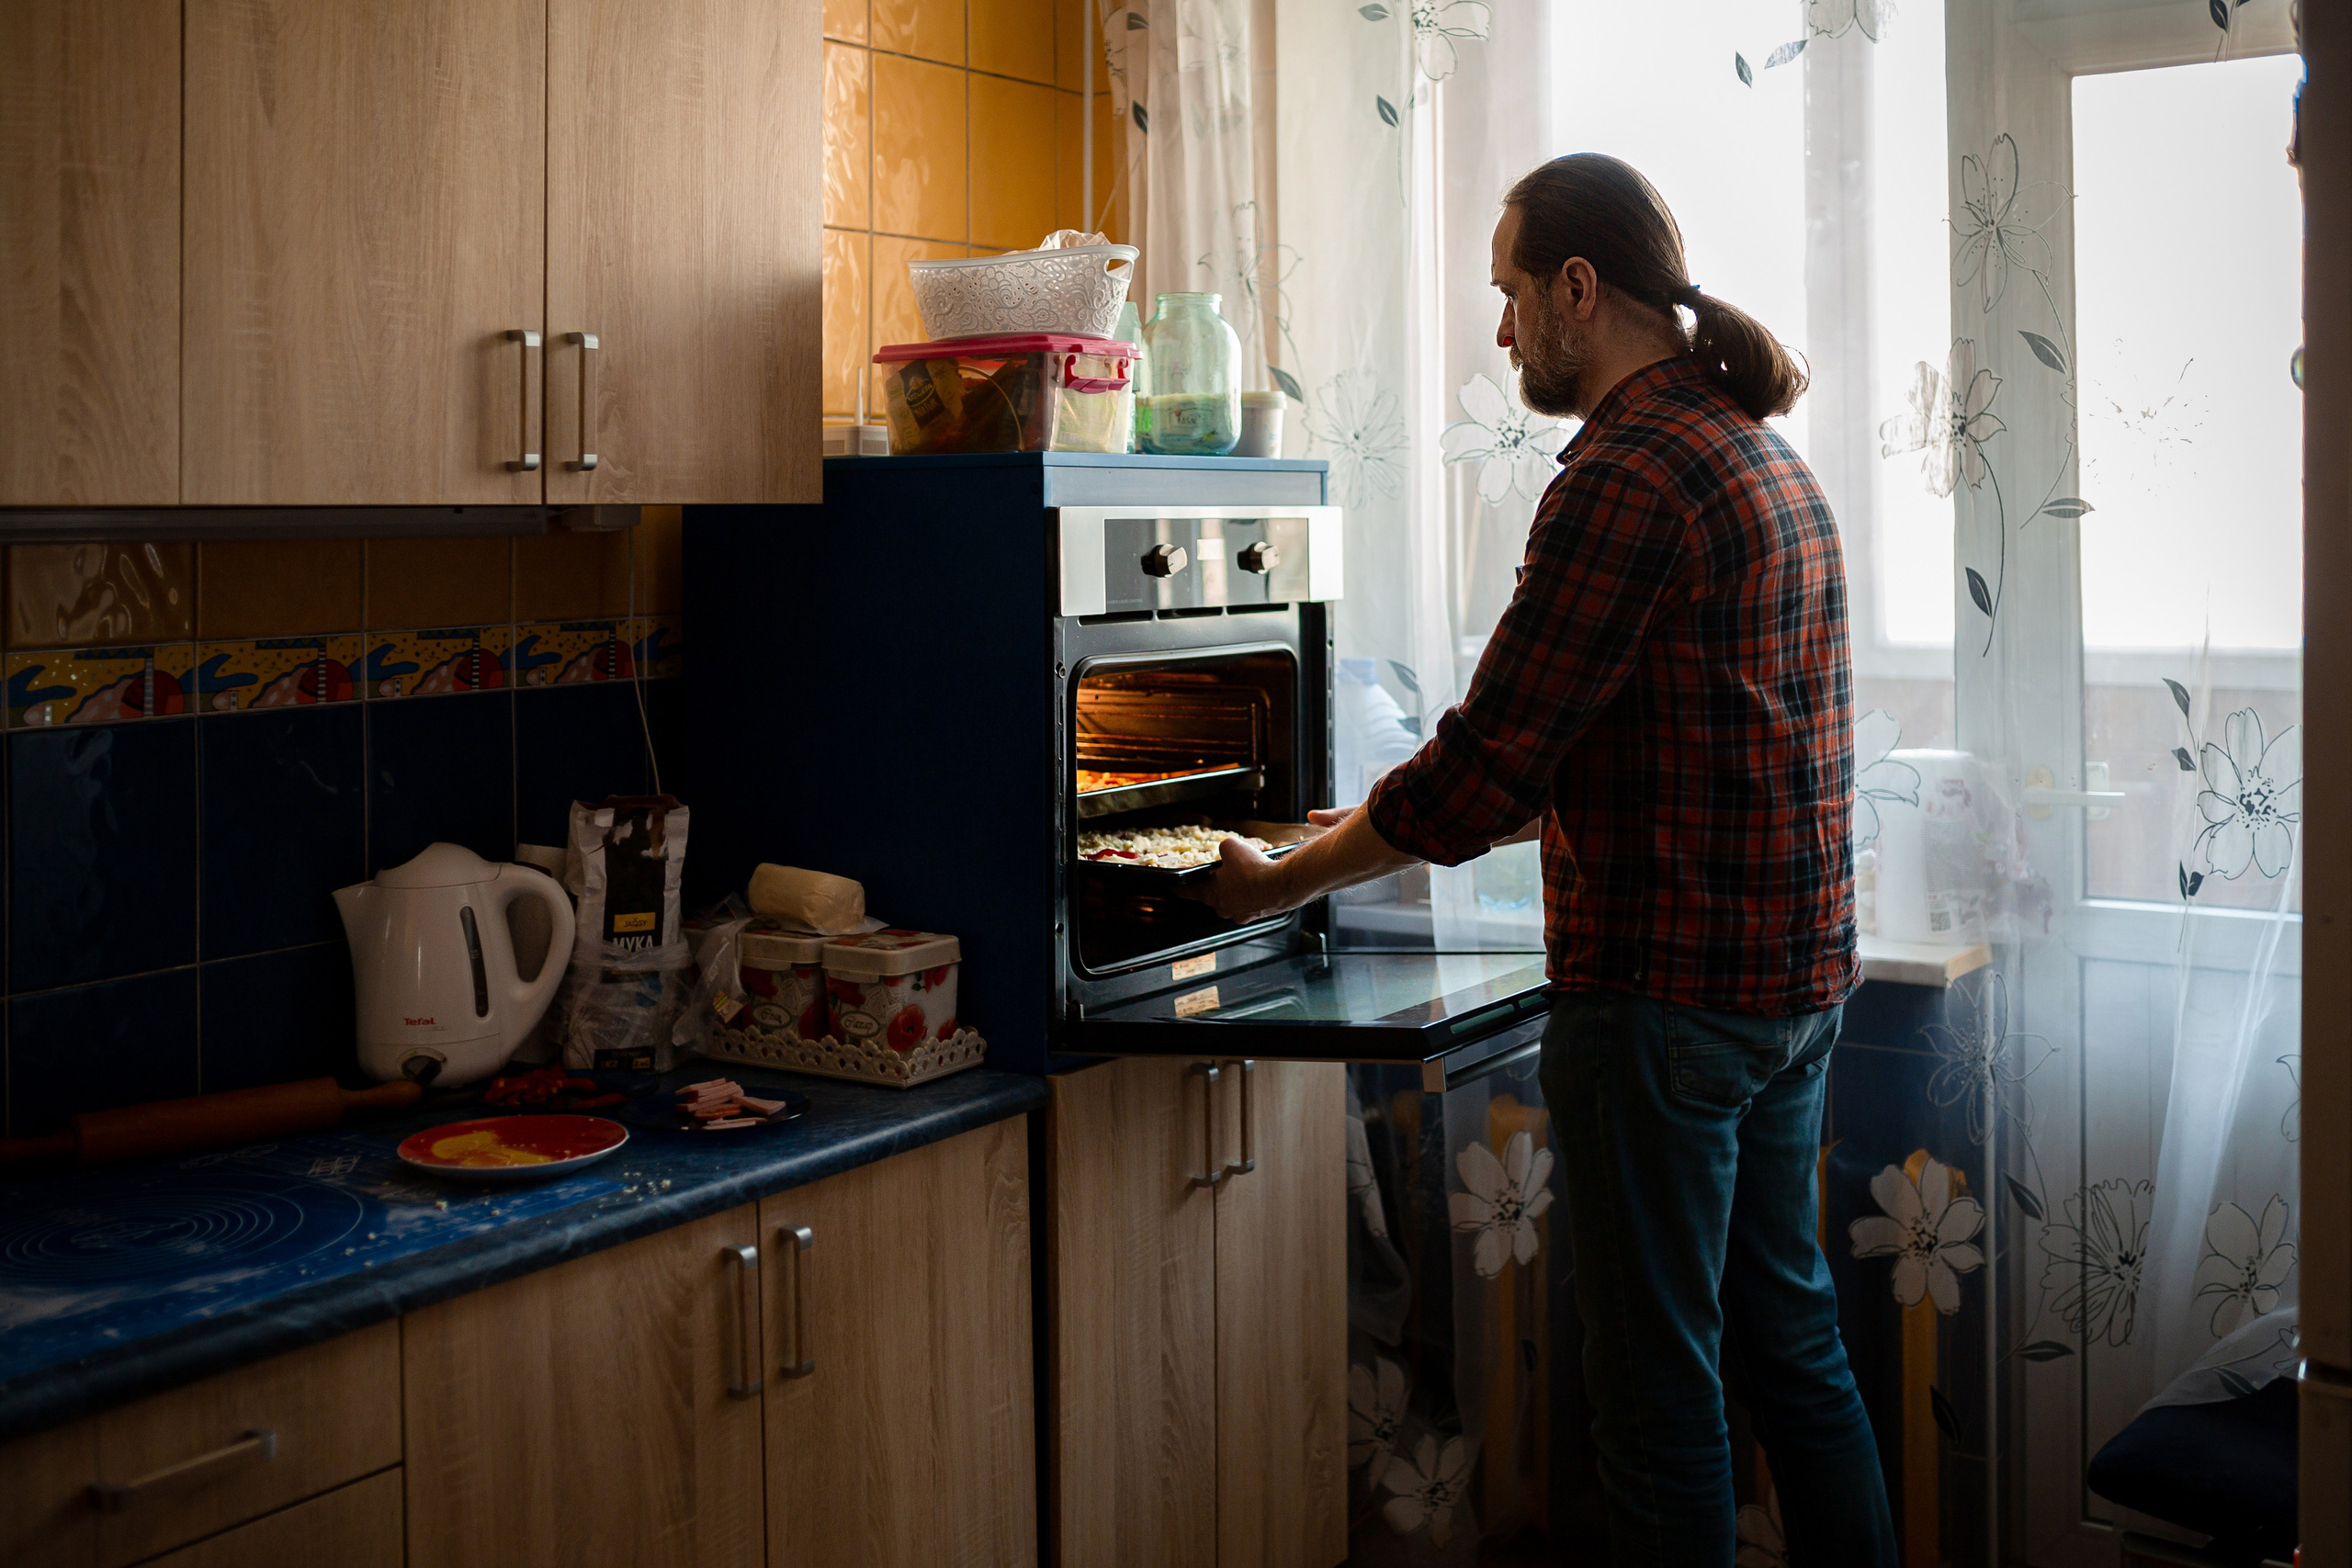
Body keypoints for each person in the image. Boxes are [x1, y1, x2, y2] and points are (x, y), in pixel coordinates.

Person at [1205, 152, 1896, 1566]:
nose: (1505, 332)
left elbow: (1486, 768)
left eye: (1513, 294)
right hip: (1791, 994)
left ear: (1581, 287)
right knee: (1796, 1354)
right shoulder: (1763, 456)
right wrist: (1364, 824)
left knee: (1658, 1408)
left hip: (1664, 1008)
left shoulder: (1625, 480)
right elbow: (1589, 755)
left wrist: (1272, 880)